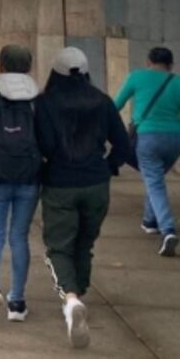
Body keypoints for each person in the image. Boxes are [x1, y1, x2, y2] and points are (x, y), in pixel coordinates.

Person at [40, 47, 132, 349]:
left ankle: (71, 298)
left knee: (58, 246)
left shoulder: (46, 103)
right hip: (96, 183)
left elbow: (44, 144)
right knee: (85, 242)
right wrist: (107, 166)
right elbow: (122, 144)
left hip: (60, 182)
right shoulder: (102, 101)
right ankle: (79, 289)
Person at [0, 45, 54, 324]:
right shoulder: (38, 101)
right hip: (28, 177)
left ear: (0, 65)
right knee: (19, 237)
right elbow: (45, 139)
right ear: (29, 66)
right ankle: (17, 301)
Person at [113, 46, 180, 257]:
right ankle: (150, 221)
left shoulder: (137, 77)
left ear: (148, 61)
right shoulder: (177, 82)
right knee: (155, 179)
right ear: (171, 65)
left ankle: (167, 230)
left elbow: (115, 105)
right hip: (175, 139)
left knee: (154, 182)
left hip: (147, 137)